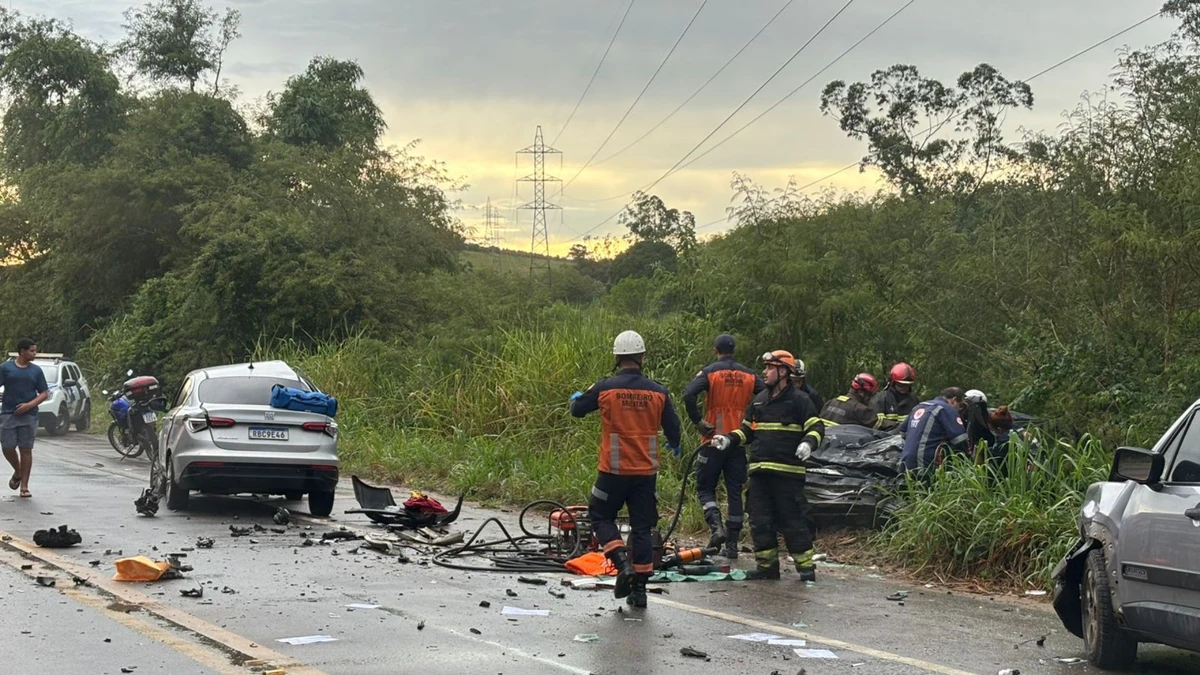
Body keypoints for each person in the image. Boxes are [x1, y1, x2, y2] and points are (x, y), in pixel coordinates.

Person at [570, 330, 681, 609]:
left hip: (613, 471)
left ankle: (622, 564)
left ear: (617, 357)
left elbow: (578, 409)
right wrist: (675, 444)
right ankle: (640, 591)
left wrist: (577, 399)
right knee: (642, 527)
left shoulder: (606, 387)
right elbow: (674, 429)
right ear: (642, 357)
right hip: (646, 472)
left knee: (600, 514)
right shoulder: (658, 391)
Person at [711, 350, 825, 582]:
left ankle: (806, 569)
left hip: (787, 475)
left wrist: (808, 443)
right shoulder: (759, 400)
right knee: (760, 521)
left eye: (769, 368)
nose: (764, 372)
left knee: (792, 522)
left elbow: (816, 427)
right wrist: (728, 439)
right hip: (760, 474)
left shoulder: (800, 401)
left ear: (783, 371)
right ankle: (767, 568)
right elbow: (746, 431)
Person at [682, 333, 763, 557]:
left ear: (715, 350)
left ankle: (717, 528)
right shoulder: (749, 375)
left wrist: (698, 422)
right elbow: (767, 395)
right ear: (734, 351)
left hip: (712, 440)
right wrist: (755, 422)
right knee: (735, 490)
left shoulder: (710, 372)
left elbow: (689, 394)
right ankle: (732, 545)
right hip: (738, 441)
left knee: (705, 487)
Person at [0, 339, 49, 498]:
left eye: (35, 351)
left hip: (29, 415)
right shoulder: (6, 368)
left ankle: (24, 486)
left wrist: (29, 405)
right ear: (22, 351)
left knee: (26, 449)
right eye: (32, 351)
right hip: (9, 413)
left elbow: (44, 393)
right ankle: (18, 471)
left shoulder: (36, 371)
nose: (34, 354)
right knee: (7, 446)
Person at [899, 387, 969, 474]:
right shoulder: (946, 409)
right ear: (954, 400)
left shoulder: (919, 406)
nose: (959, 409)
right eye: (961, 405)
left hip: (905, 461)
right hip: (925, 463)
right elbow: (960, 440)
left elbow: (902, 431)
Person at [819, 373, 884, 429]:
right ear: (861, 392)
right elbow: (882, 424)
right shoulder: (860, 409)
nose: (870, 398)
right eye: (870, 395)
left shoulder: (830, 403)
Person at [871, 362, 919, 430]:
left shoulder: (914, 400)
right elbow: (875, 422)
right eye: (900, 384)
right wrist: (898, 426)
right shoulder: (880, 399)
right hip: (884, 437)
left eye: (907, 385)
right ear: (892, 382)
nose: (904, 387)